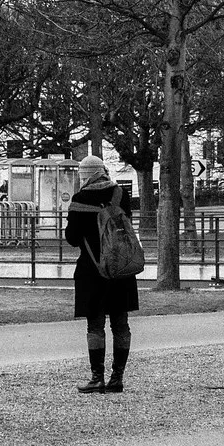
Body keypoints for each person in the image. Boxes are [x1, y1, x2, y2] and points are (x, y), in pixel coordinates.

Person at [64, 155, 139, 394]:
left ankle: (97, 377)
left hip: (92, 269)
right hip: (121, 267)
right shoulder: (120, 194)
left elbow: (72, 238)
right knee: (121, 324)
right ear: (103, 171)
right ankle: (118, 377)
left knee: (95, 325)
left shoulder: (80, 199)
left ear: (84, 176)